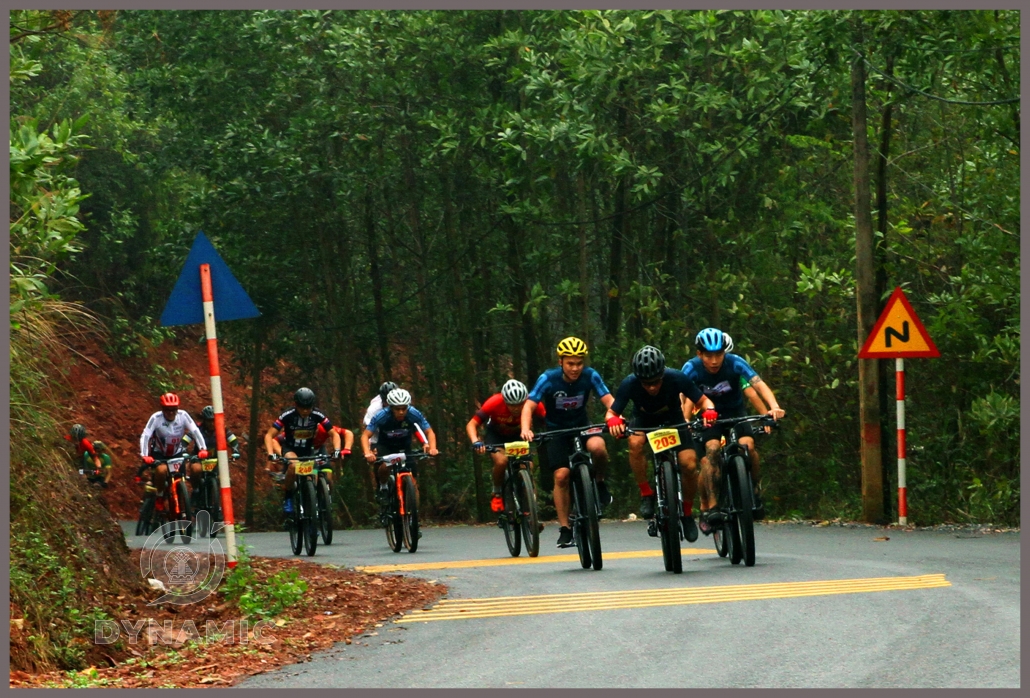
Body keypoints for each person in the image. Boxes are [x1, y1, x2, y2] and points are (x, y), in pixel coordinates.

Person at [604, 345, 715, 542]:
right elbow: (612, 412)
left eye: (656, 381)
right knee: (635, 442)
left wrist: (709, 411)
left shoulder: (677, 377)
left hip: (674, 419)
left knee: (689, 464)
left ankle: (687, 512)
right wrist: (613, 421)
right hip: (643, 420)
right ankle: (647, 493)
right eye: (646, 383)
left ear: (663, 373)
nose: (652, 387)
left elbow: (704, 401)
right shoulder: (629, 383)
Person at [681, 328, 785, 532]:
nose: (714, 361)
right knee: (711, 449)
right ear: (699, 354)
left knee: (748, 445)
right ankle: (712, 507)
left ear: (724, 353)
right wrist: (683, 418)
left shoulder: (735, 362)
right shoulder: (690, 368)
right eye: (708, 356)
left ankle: (753, 489)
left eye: (718, 355)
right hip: (709, 416)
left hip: (736, 412)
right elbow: (680, 393)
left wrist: (773, 407)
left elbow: (759, 385)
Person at [521, 336, 615, 549]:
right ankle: (565, 529)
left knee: (598, 448)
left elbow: (610, 401)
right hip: (557, 430)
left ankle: (599, 483)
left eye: (579, 363)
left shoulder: (590, 376)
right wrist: (526, 429)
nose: (575, 368)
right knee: (561, 475)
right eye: (570, 363)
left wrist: (614, 416)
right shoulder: (548, 378)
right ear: (560, 362)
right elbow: (529, 406)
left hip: (582, 425)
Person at [466, 379, 546, 513]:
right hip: (496, 435)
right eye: (511, 405)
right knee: (501, 461)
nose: (516, 408)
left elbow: (547, 421)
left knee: (527, 467)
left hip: (518, 436)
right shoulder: (494, 402)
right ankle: (497, 493)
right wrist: (476, 441)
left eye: (520, 404)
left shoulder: (533, 403)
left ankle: (531, 511)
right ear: (504, 401)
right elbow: (471, 424)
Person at [263, 387, 341, 514]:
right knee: (293, 466)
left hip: (308, 449)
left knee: (314, 476)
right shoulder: (287, 415)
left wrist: (337, 450)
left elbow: (334, 433)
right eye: (302, 407)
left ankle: (313, 508)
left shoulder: (317, 414)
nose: (305, 411)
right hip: (291, 448)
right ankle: (288, 497)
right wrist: (271, 454)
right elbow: (269, 435)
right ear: (296, 405)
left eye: (308, 407)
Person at [363, 388, 439, 514]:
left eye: (404, 408)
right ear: (391, 407)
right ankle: (383, 487)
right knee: (384, 466)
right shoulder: (381, 415)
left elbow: (429, 431)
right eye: (397, 409)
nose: (401, 412)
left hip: (404, 446)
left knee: (414, 481)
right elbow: (365, 436)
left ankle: (414, 516)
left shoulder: (413, 413)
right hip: (386, 446)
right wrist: (368, 452)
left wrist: (432, 447)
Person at [138, 393, 208, 502]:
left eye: (174, 409)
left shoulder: (183, 415)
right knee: (161, 471)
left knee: (180, 480)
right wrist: (145, 455)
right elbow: (145, 436)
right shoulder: (156, 418)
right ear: (162, 409)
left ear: (177, 408)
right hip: (159, 454)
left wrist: (203, 448)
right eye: (167, 410)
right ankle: (160, 496)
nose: (171, 413)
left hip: (176, 453)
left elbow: (195, 431)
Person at [183, 405, 241, 493]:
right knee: (195, 469)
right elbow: (185, 440)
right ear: (204, 420)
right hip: (199, 459)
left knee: (224, 478)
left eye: (213, 420)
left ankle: (218, 500)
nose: (211, 423)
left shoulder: (223, 429)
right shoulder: (197, 429)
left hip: (216, 459)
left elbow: (233, 440)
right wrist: (184, 451)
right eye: (208, 421)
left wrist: (235, 451)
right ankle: (195, 490)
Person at [363, 381, 399, 450]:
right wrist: (368, 450)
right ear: (383, 399)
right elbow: (367, 432)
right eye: (388, 402)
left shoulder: (402, 407)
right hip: (377, 438)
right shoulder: (374, 409)